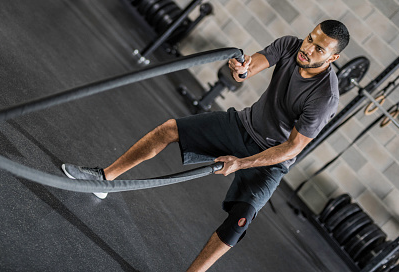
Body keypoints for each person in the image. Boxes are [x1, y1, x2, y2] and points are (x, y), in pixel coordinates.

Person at [62, 20, 349, 271]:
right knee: (169, 130)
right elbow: (251, 67)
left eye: (319, 49)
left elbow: (292, 148)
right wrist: (241, 69)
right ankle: (104, 179)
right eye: (310, 38)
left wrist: (241, 163)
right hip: (242, 125)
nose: (308, 48)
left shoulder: (325, 97)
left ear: (333, 57)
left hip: (270, 158)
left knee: (240, 221)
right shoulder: (290, 46)